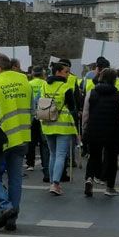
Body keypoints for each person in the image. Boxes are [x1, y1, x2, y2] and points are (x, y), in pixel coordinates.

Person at [0, 53, 31, 228]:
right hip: (22, 136)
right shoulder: (24, 80)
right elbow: (31, 108)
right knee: (15, 178)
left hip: (0, 138)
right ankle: (12, 219)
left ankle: (5, 205)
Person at [80, 68, 119, 197]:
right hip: (113, 131)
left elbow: (85, 113)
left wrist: (85, 128)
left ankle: (89, 178)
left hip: (94, 129)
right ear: (114, 80)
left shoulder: (91, 93)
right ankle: (109, 187)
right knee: (112, 158)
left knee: (94, 156)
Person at [40, 62, 78, 196]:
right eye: (66, 72)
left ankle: (52, 181)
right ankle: (55, 183)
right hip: (62, 124)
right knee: (61, 155)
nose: (68, 74)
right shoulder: (66, 86)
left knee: (53, 154)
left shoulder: (44, 84)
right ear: (58, 72)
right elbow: (73, 106)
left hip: (47, 121)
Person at [25, 67, 50, 177]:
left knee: (31, 140)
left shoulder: (28, 84)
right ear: (42, 74)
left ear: (32, 74)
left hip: (31, 113)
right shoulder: (45, 83)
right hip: (43, 113)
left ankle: (30, 163)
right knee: (43, 142)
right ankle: (45, 165)